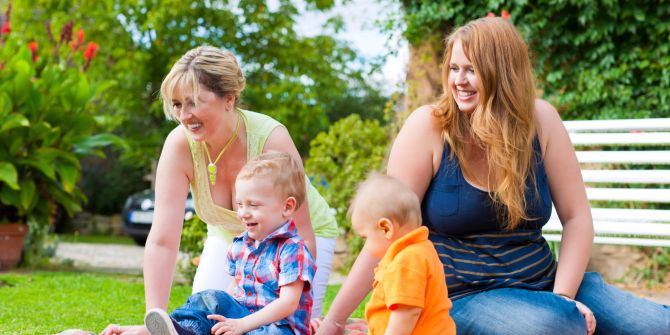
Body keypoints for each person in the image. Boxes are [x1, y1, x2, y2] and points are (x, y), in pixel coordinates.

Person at [317, 17, 670, 335]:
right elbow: (385, 234)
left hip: (543, 279)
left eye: (471, 69)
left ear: (502, 71)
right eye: (453, 68)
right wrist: (334, 322)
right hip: (465, 295)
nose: (458, 81)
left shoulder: (541, 121)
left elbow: (577, 218)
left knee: (655, 325)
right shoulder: (430, 127)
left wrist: (563, 295)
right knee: (555, 325)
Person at [102, 46, 338, 335]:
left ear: (230, 98)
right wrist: (154, 320)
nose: (184, 115)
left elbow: (302, 233)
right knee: (209, 311)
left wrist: (284, 312)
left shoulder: (270, 138)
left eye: (193, 102)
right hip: (235, 240)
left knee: (275, 326)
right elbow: (163, 241)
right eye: (177, 105)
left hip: (297, 239)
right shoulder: (179, 146)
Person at [144, 152, 315, 335]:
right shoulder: (241, 244)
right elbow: (234, 289)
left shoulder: (292, 249)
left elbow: (288, 303)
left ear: (287, 207)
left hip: (278, 328)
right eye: (240, 204)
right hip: (242, 321)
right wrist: (225, 314)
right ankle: (186, 331)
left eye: (253, 205)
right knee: (212, 298)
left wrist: (243, 325)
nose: (243, 213)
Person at [348, 173, 456, 335]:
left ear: (386, 228)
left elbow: (406, 313)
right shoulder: (422, 248)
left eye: (366, 238)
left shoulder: (405, 261)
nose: (367, 246)